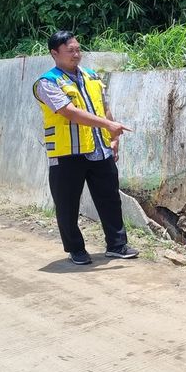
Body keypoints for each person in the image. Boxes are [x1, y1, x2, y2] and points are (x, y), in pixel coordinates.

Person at [33, 30, 139, 265]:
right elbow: (68, 112)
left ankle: (117, 245)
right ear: (54, 53)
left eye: (78, 49)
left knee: (110, 198)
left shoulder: (91, 76)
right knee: (67, 203)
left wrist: (113, 136)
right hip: (66, 152)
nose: (76, 54)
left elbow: (104, 107)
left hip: (99, 148)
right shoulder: (47, 83)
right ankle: (76, 249)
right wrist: (109, 124)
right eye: (70, 50)